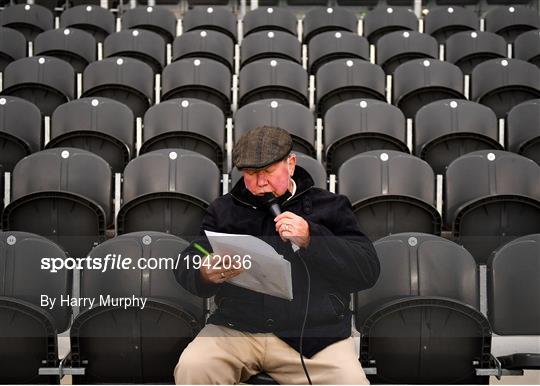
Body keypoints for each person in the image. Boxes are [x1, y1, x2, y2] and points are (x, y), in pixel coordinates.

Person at [174, 126, 380, 384]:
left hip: (315, 336)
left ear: (290, 164)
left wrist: (311, 237)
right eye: (250, 174)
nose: (261, 183)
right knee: (193, 366)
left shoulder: (331, 205)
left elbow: (367, 268)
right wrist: (204, 269)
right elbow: (195, 253)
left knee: (350, 381)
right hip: (238, 328)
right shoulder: (223, 210)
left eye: (269, 172)